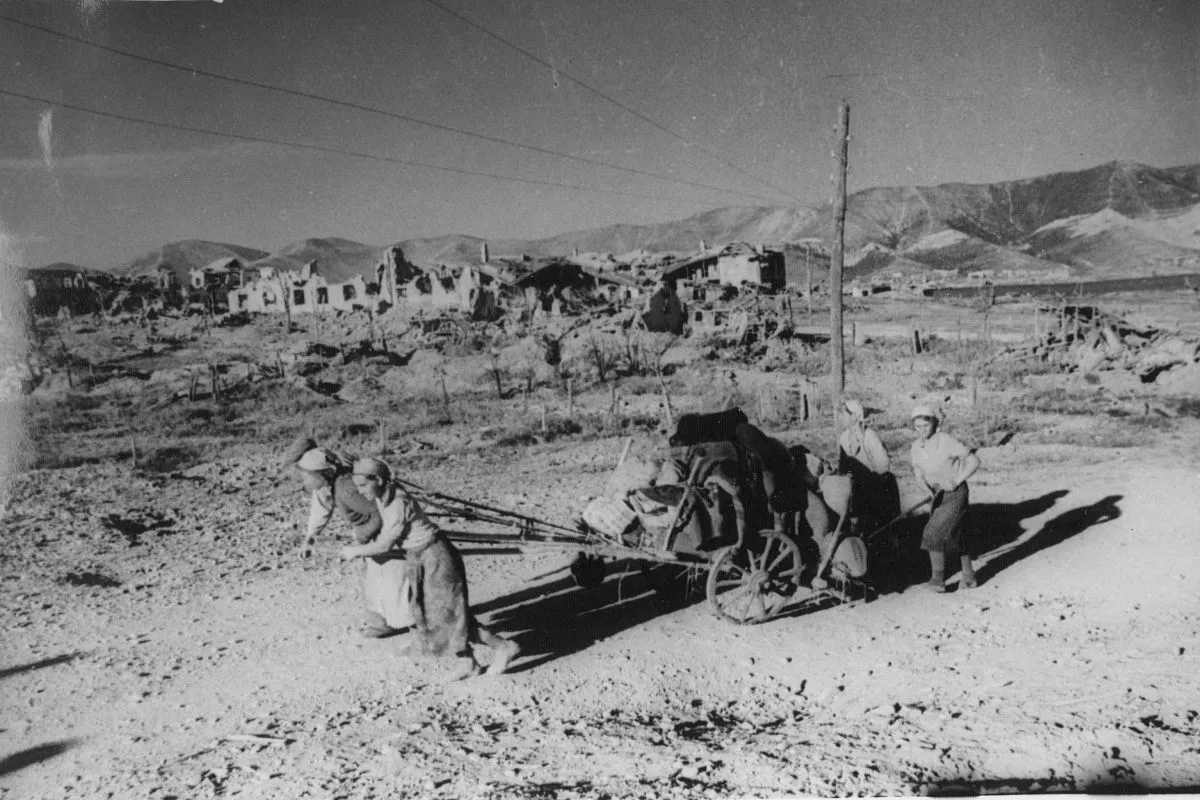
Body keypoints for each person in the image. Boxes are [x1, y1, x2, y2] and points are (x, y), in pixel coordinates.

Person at [346, 457, 520, 680]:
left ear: (378, 480)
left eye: (363, 486)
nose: (360, 492)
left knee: (449, 612)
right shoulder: (383, 497)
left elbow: (385, 544)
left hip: (436, 556)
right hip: (417, 557)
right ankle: (467, 661)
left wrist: (356, 551)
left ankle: (503, 646)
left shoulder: (398, 502)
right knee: (430, 614)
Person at [287, 437, 410, 639]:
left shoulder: (345, 489)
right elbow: (321, 506)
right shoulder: (331, 484)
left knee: (387, 580)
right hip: (371, 533)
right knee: (370, 578)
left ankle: (400, 622)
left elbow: (378, 513)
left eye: (306, 478)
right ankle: (381, 622)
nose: (304, 483)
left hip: (381, 534)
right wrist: (311, 536)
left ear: (320, 474)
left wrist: (360, 539)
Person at [908, 405, 981, 593]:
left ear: (934, 423)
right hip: (937, 495)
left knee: (932, 532)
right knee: (956, 533)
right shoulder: (916, 447)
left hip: (956, 493)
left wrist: (956, 480)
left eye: (925, 425)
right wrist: (926, 489)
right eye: (917, 427)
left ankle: (937, 580)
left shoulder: (946, 441)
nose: (922, 431)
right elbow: (918, 473)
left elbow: (974, 461)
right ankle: (969, 577)